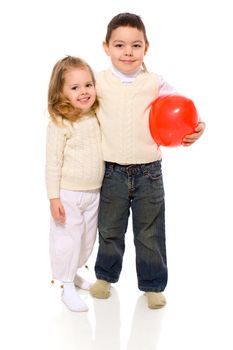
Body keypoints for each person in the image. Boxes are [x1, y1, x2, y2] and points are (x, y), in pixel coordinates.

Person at [90, 13, 205, 309]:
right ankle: (104, 275)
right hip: (112, 172)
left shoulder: (155, 82)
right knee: (110, 228)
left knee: (150, 231)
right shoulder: (98, 82)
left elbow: (180, 108)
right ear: (106, 47)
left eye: (135, 45)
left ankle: (153, 284)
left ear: (146, 48)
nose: (127, 52)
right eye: (119, 45)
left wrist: (196, 127)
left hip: (149, 173)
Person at [46, 56, 104, 312]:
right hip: (69, 193)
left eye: (88, 85)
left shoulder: (96, 115)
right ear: (61, 92)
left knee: (87, 240)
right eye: (75, 87)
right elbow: (52, 163)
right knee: (68, 239)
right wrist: (54, 198)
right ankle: (66, 286)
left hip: (94, 191)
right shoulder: (60, 123)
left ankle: (75, 274)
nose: (84, 92)